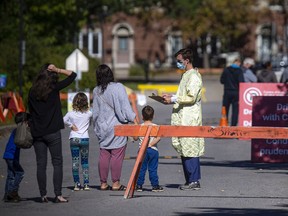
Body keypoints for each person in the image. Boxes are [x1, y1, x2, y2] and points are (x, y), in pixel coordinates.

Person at [28, 63, 76, 203]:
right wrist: (58, 70)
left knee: (41, 164)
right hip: (52, 132)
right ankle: (58, 195)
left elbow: (30, 111)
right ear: (52, 75)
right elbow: (73, 75)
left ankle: (43, 195)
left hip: (37, 132)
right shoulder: (54, 88)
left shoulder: (32, 91)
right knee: (57, 163)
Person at [163, 48, 205, 190]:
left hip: (189, 118)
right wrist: (171, 97)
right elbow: (182, 95)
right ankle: (189, 180)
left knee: (190, 148)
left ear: (187, 61)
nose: (178, 64)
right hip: (182, 117)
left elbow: (191, 97)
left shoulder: (193, 76)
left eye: (180, 61)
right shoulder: (186, 75)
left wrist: (174, 98)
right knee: (183, 148)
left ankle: (194, 181)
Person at [92, 64, 138, 191]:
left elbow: (95, 112)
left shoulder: (96, 90)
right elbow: (125, 107)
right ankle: (116, 183)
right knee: (117, 154)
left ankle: (103, 183)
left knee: (104, 153)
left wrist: (96, 127)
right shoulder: (118, 87)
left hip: (102, 126)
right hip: (117, 126)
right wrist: (134, 120)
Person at [63, 92, 92, 191]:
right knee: (85, 162)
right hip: (84, 139)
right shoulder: (88, 113)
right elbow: (91, 122)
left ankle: (76, 184)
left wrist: (71, 125)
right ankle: (86, 184)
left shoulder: (70, 114)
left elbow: (63, 120)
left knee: (75, 162)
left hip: (74, 138)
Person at [3, 112, 30, 202]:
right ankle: (13, 192)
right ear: (24, 122)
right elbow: (23, 141)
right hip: (11, 155)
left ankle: (7, 195)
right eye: (26, 121)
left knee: (11, 175)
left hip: (8, 155)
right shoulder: (19, 130)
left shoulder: (16, 130)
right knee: (20, 173)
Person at [135, 105, 163, 192]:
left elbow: (135, 138)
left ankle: (139, 185)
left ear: (142, 116)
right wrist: (150, 144)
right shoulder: (155, 126)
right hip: (153, 150)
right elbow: (158, 137)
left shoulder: (140, 126)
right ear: (153, 116)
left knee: (141, 168)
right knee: (153, 169)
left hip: (142, 150)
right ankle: (155, 186)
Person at [220, 58, 244, 126]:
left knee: (225, 109)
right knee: (235, 111)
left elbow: (221, 81)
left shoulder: (226, 70)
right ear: (239, 63)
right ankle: (233, 126)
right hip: (236, 92)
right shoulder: (239, 71)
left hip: (227, 92)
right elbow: (241, 82)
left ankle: (225, 123)